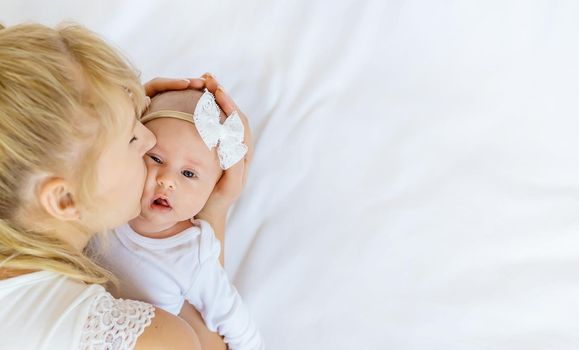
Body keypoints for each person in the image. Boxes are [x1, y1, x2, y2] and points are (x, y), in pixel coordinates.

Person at [0, 22, 252, 349]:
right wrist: (213, 212)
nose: (150, 138)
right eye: (133, 137)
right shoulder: (145, 338)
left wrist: (112, 111)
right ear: (64, 200)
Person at [93, 88, 264, 350]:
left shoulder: (194, 253)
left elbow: (234, 321)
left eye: (188, 174)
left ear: (214, 188)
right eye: (156, 159)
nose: (167, 180)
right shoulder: (106, 201)